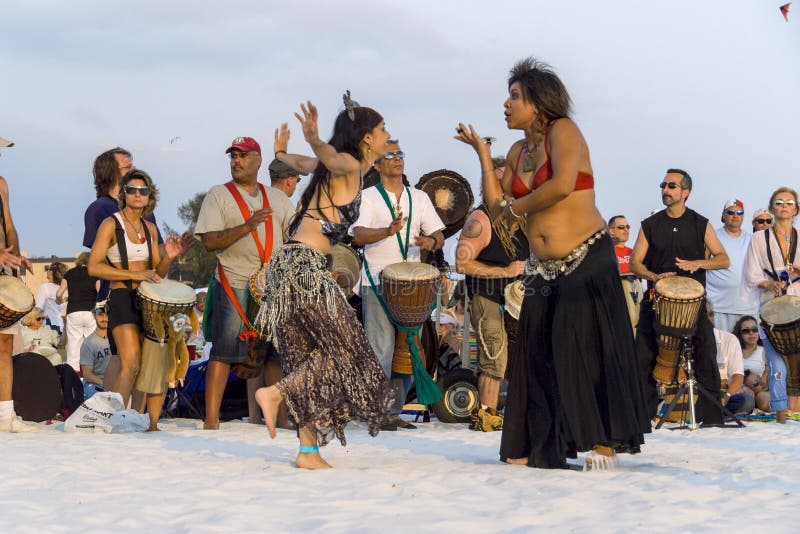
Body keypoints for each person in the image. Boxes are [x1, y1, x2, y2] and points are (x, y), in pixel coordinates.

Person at [456, 58, 650, 470]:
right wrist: (484, 154)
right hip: (542, 267)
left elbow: (562, 186)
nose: (506, 104)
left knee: (585, 348)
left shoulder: (565, 131)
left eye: (514, 96)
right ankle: (536, 444)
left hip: (586, 257)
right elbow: (495, 204)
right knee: (537, 353)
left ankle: (603, 443)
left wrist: (515, 209)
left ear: (538, 102)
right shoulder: (516, 150)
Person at [254, 97, 394, 470]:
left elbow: (302, 163)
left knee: (305, 358)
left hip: (287, 267)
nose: (388, 136)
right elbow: (329, 157)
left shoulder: (336, 169)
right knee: (350, 351)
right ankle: (275, 392)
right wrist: (316, 138)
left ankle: (308, 452)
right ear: (366, 138)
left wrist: (283, 152)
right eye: (383, 130)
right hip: (304, 268)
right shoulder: (349, 165)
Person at [194, 136, 294, 430]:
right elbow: (210, 241)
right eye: (233, 156)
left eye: (243, 155)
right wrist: (248, 226)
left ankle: (281, 418)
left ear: (258, 160)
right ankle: (211, 420)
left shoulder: (276, 198)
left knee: (276, 354)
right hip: (233, 279)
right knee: (224, 351)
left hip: (272, 285)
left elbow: (296, 232)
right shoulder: (218, 195)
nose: (236, 161)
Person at [350, 139, 446, 430]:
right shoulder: (367, 197)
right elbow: (357, 236)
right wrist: (386, 230)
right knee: (381, 350)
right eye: (389, 155)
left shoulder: (419, 198)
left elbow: (438, 234)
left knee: (408, 352)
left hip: (411, 285)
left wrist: (431, 241)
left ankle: (392, 412)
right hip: (377, 280)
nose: (397, 158)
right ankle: (376, 412)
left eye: (400, 153)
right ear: (377, 164)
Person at [88, 169, 187, 431]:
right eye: (131, 189)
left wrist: (169, 257)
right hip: (121, 296)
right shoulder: (111, 224)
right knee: (130, 362)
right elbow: (94, 267)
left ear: (149, 196)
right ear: (123, 194)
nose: (137, 194)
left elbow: (158, 272)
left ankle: (137, 418)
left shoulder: (150, 228)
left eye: (143, 191)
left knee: (146, 364)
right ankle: (116, 419)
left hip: (147, 299)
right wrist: (134, 273)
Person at [631, 169, 729, 426]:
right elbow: (635, 263)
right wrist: (654, 276)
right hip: (657, 299)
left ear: (685, 192)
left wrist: (697, 263)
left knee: (706, 353)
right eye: (663, 185)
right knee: (644, 356)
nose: (665, 190)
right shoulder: (650, 225)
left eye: (672, 186)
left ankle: (712, 417)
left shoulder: (700, 223)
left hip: (692, 302)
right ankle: (641, 417)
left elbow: (722, 258)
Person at [455, 156, 527, 431]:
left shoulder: (522, 219)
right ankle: (486, 415)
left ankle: (513, 412)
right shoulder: (480, 219)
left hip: (517, 300)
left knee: (521, 356)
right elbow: (463, 262)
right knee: (493, 355)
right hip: (487, 297)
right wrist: (505, 272)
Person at [742, 187, 800, 423]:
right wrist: (767, 283)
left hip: (797, 304)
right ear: (772, 207)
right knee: (777, 364)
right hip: (770, 309)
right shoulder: (758, 238)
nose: (784, 206)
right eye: (779, 202)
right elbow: (751, 273)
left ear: (796, 209)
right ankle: (780, 415)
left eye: (789, 202)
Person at [0, 134, 36, 432]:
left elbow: (9, 225)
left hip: (3, 272)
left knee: (4, 346)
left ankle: (5, 416)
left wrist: (14, 253)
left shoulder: (1, 184)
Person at [706, 199, 758, 331]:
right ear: (723, 215)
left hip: (747, 307)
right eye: (731, 212)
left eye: (739, 212)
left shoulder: (752, 240)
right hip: (718, 307)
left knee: (746, 349)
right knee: (721, 349)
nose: (735, 215)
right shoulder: (712, 237)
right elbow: (702, 263)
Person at [706, 302, 753, 414]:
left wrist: (726, 397)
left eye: (711, 314)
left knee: (747, 401)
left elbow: (738, 376)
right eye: (704, 315)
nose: (709, 319)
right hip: (696, 396)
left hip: (723, 395)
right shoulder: (688, 340)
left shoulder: (729, 339)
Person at [57, 252, 99, 371]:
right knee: (93, 343)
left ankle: (73, 374)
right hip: (91, 312)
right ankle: (95, 371)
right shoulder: (94, 273)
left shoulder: (69, 273)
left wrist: (58, 300)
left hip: (73, 311)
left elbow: (59, 293)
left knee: (73, 346)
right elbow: (100, 292)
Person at [609, 214, 644, 331]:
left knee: (641, 320)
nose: (626, 230)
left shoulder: (633, 252)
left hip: (637, 287)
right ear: (611, 231)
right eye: (621, 227)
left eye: (628, 227)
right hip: (619, 288)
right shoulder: (607, 252)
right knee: (630, 320)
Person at [732, 315, 770, 412]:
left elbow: (768, 374)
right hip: (738, 388)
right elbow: (728, 373)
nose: (751, 333)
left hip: (759, 391)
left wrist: (762, 383)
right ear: (740, 334)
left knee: (766, 400)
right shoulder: (734, 351)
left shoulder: (764, 351)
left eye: (754, 329)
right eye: (746, 330)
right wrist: (742, 386)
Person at [79, 305, 111, 399]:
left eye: (107, 315)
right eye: (100, 315)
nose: (104, 318)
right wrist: (107, 385)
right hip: (97, 385)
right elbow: (87, 375)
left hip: (117, 383)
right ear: (94, 315)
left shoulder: (117, 339)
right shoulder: (88, 343)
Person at [36, 262, 67, 334]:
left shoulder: (45, 286)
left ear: (52, 272)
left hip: (48, 323)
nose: (47, 271)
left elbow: (39, 307)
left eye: (49, 269)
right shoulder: (63, 290)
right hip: (60, 324)